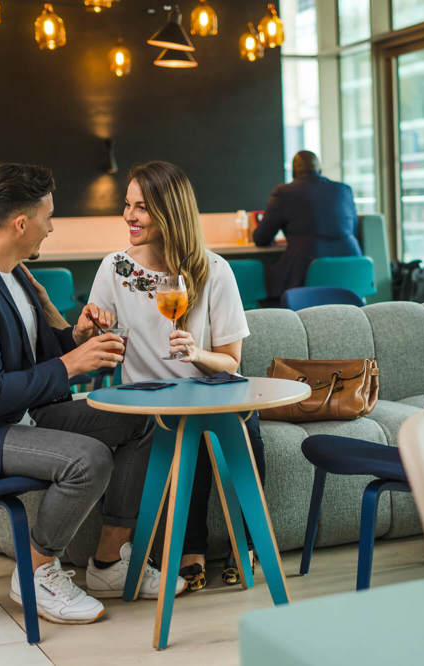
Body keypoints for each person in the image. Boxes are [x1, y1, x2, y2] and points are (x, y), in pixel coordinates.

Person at [0, 162, 183, 626]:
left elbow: (35, 352)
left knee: (141, 419)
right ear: (20, 223)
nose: (51, 228)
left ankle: (109, 563)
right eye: (47, 217)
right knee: (87, 459)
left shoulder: (12, 274)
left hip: (17, 417)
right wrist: (71, 365)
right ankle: (36, 572)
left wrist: (76, 336)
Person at [87, 160, 261, 591]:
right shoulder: (115, 269)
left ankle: (249, 545)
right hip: (146, 397)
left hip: (202, 387)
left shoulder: (213, 270)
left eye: (142, 207)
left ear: (170, 212)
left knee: (240, 424)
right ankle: (190, 548)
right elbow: (91, 332)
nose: (129, 216)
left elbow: (231, 361)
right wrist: (89, 327)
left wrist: (197, 353)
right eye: (127, 206)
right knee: (187, 423)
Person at [253, 150, 362, 302]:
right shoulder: (344, 190)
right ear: (320, 170)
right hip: (352, 273)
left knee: (266, 283)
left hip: (307, 274)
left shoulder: (284, 192)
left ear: (293, 173)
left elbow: (261, 238)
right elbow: (353, 229)